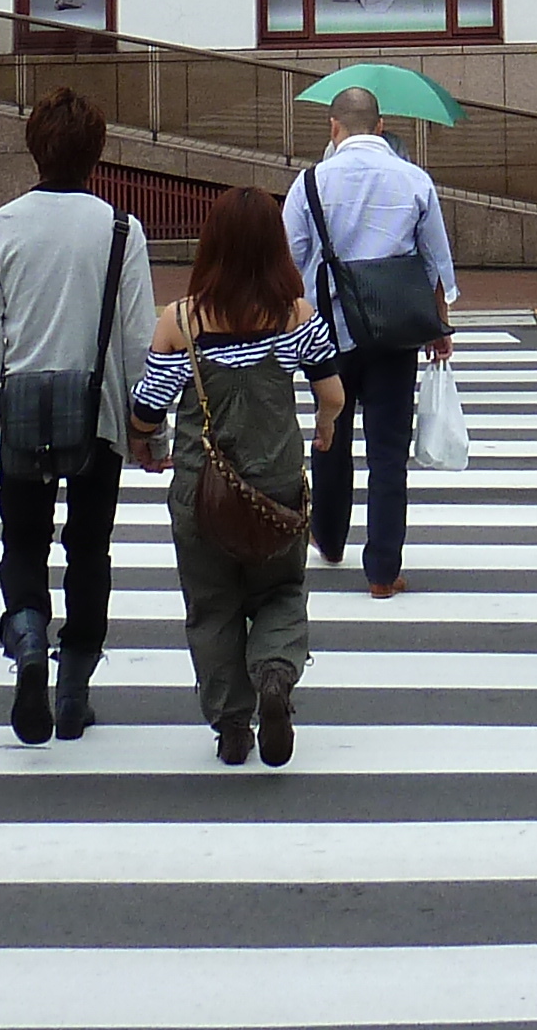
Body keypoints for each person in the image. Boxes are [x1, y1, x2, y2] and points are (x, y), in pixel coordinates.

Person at [128, 186, 345, 766]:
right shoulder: (297, 316)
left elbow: (148, 408)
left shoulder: (179, 320)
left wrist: (144, 441)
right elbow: (332, 394)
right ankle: (275, 675)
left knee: (213, 603)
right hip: (275, 486)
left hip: (204, 493)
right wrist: (324, 427)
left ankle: (231, 726)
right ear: (276, 247)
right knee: (279, 591)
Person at [0, 85, 157, 745]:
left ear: (34, 148)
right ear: (96, 154)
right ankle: (73, 688)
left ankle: (26, 642)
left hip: (23, 403)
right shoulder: (120, 228)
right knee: (88, 548)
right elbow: (138, 336)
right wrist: (145, 423)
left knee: (22, 543)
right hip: (100, 411)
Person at [285, 84, 456, 595]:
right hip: (395, 332)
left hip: (328, 334)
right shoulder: (414, 180)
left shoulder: (310, 182)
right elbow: (435, 263)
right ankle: (383, 570)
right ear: (380, 127)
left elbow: (292, 256)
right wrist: (440, 327)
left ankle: (330, 538)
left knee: (329, 433)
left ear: (334, 128)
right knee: (387, 451)